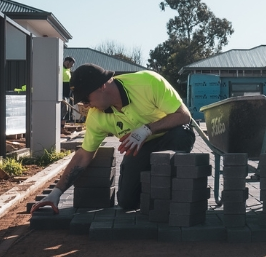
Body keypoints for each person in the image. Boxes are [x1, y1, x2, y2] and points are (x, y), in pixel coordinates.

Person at [31, 63, 196, 213]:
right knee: (126, 201)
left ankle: (175, 195)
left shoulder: (148, 83)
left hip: (171, 134)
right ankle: (150, 189)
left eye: (86, 99)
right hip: (140, 147)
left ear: (102, 86)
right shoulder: (96, 116)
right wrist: (56, 193)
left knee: (180, 135)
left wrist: (147, 129)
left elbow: (183, 116)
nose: (86, 105)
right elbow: (84, 155)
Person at [60, 56, 75, 134]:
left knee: (66, 111)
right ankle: (60, 128)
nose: (71, 66)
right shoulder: (60, 68)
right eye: (71, 64)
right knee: (63, 109)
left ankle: (63, 127)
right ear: (67, 62)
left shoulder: (67, 70)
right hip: (62, 93)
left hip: (67, 94)